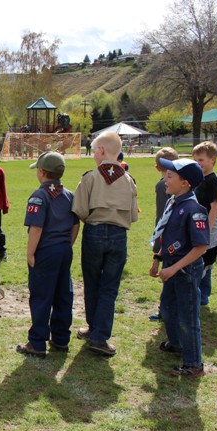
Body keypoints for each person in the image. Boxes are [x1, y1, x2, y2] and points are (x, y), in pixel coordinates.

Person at [72, 130, 139, 357]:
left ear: (100, 151)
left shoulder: (90, 177)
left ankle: (93, 328)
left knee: (92, 282)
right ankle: (99, 335)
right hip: (119, 235)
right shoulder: (129, 180)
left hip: (94, 232)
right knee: (109, 287)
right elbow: (133, 215)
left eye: (93, 150)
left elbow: (79, 209)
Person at [149, 158, 209, 377]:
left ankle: (194, 363)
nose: (165, 178)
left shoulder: (194, 209)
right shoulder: (173, 202)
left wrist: (174, 269)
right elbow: (166, 234)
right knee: (167, 308)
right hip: (171, 265)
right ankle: (176, 343)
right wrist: (157, 258)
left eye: (170, 176)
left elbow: (201, 247)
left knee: (187, 315)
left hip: (185, 270)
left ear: (185, 183)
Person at [17, 152, 79, 357]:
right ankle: (61, 338)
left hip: (45, 251)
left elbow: (36, 228)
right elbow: (76, 225)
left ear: (42, 172)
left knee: (41, 295)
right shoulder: (69, 195)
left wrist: (30, 253)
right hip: (63, 249)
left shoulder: (39, 196)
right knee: (63, 293)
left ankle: (37, 342)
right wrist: (66, 245)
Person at [191, 141, 217, 306]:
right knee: (202, 262)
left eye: (201, 160)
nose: (198, 163)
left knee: (206, 261)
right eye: (195, 160)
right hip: (198, 223)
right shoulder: (198, 179)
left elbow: (215, 207)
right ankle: (200, 296)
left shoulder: (213, 181)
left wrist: (206, 228)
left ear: (212, 159)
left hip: (209, 226)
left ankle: (202, 297)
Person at [148, 147, 178, 321]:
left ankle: (165, 311)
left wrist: (157, 245)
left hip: (168, 236)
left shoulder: (162, 185)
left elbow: (162, 216)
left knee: (167, 274)